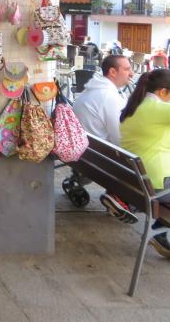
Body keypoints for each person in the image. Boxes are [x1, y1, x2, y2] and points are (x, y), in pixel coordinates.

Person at [72, 54, 135, 222]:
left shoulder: (93, 89)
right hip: (100, 162)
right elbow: (121, 139)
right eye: (127, 69)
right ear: (113, 72)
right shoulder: (109, 97)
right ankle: (120, 197)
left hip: (85, 157)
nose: (131, 74)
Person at [119, 69, 170, 257]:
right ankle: (159, 231)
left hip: (135, 180)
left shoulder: (134, 108)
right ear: (163, 91)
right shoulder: (158, 109)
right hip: (156, 183)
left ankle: (159, 233)